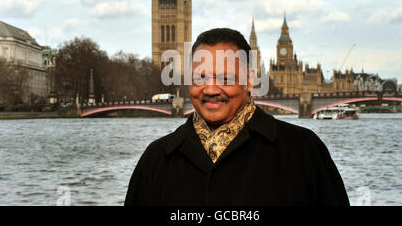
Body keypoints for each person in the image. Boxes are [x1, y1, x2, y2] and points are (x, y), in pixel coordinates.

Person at [125, 28, 349, 206]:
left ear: (250, 80)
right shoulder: (157, 158)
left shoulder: (302, 151)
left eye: (225, 78)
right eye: (200, 78)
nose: (211, 89)